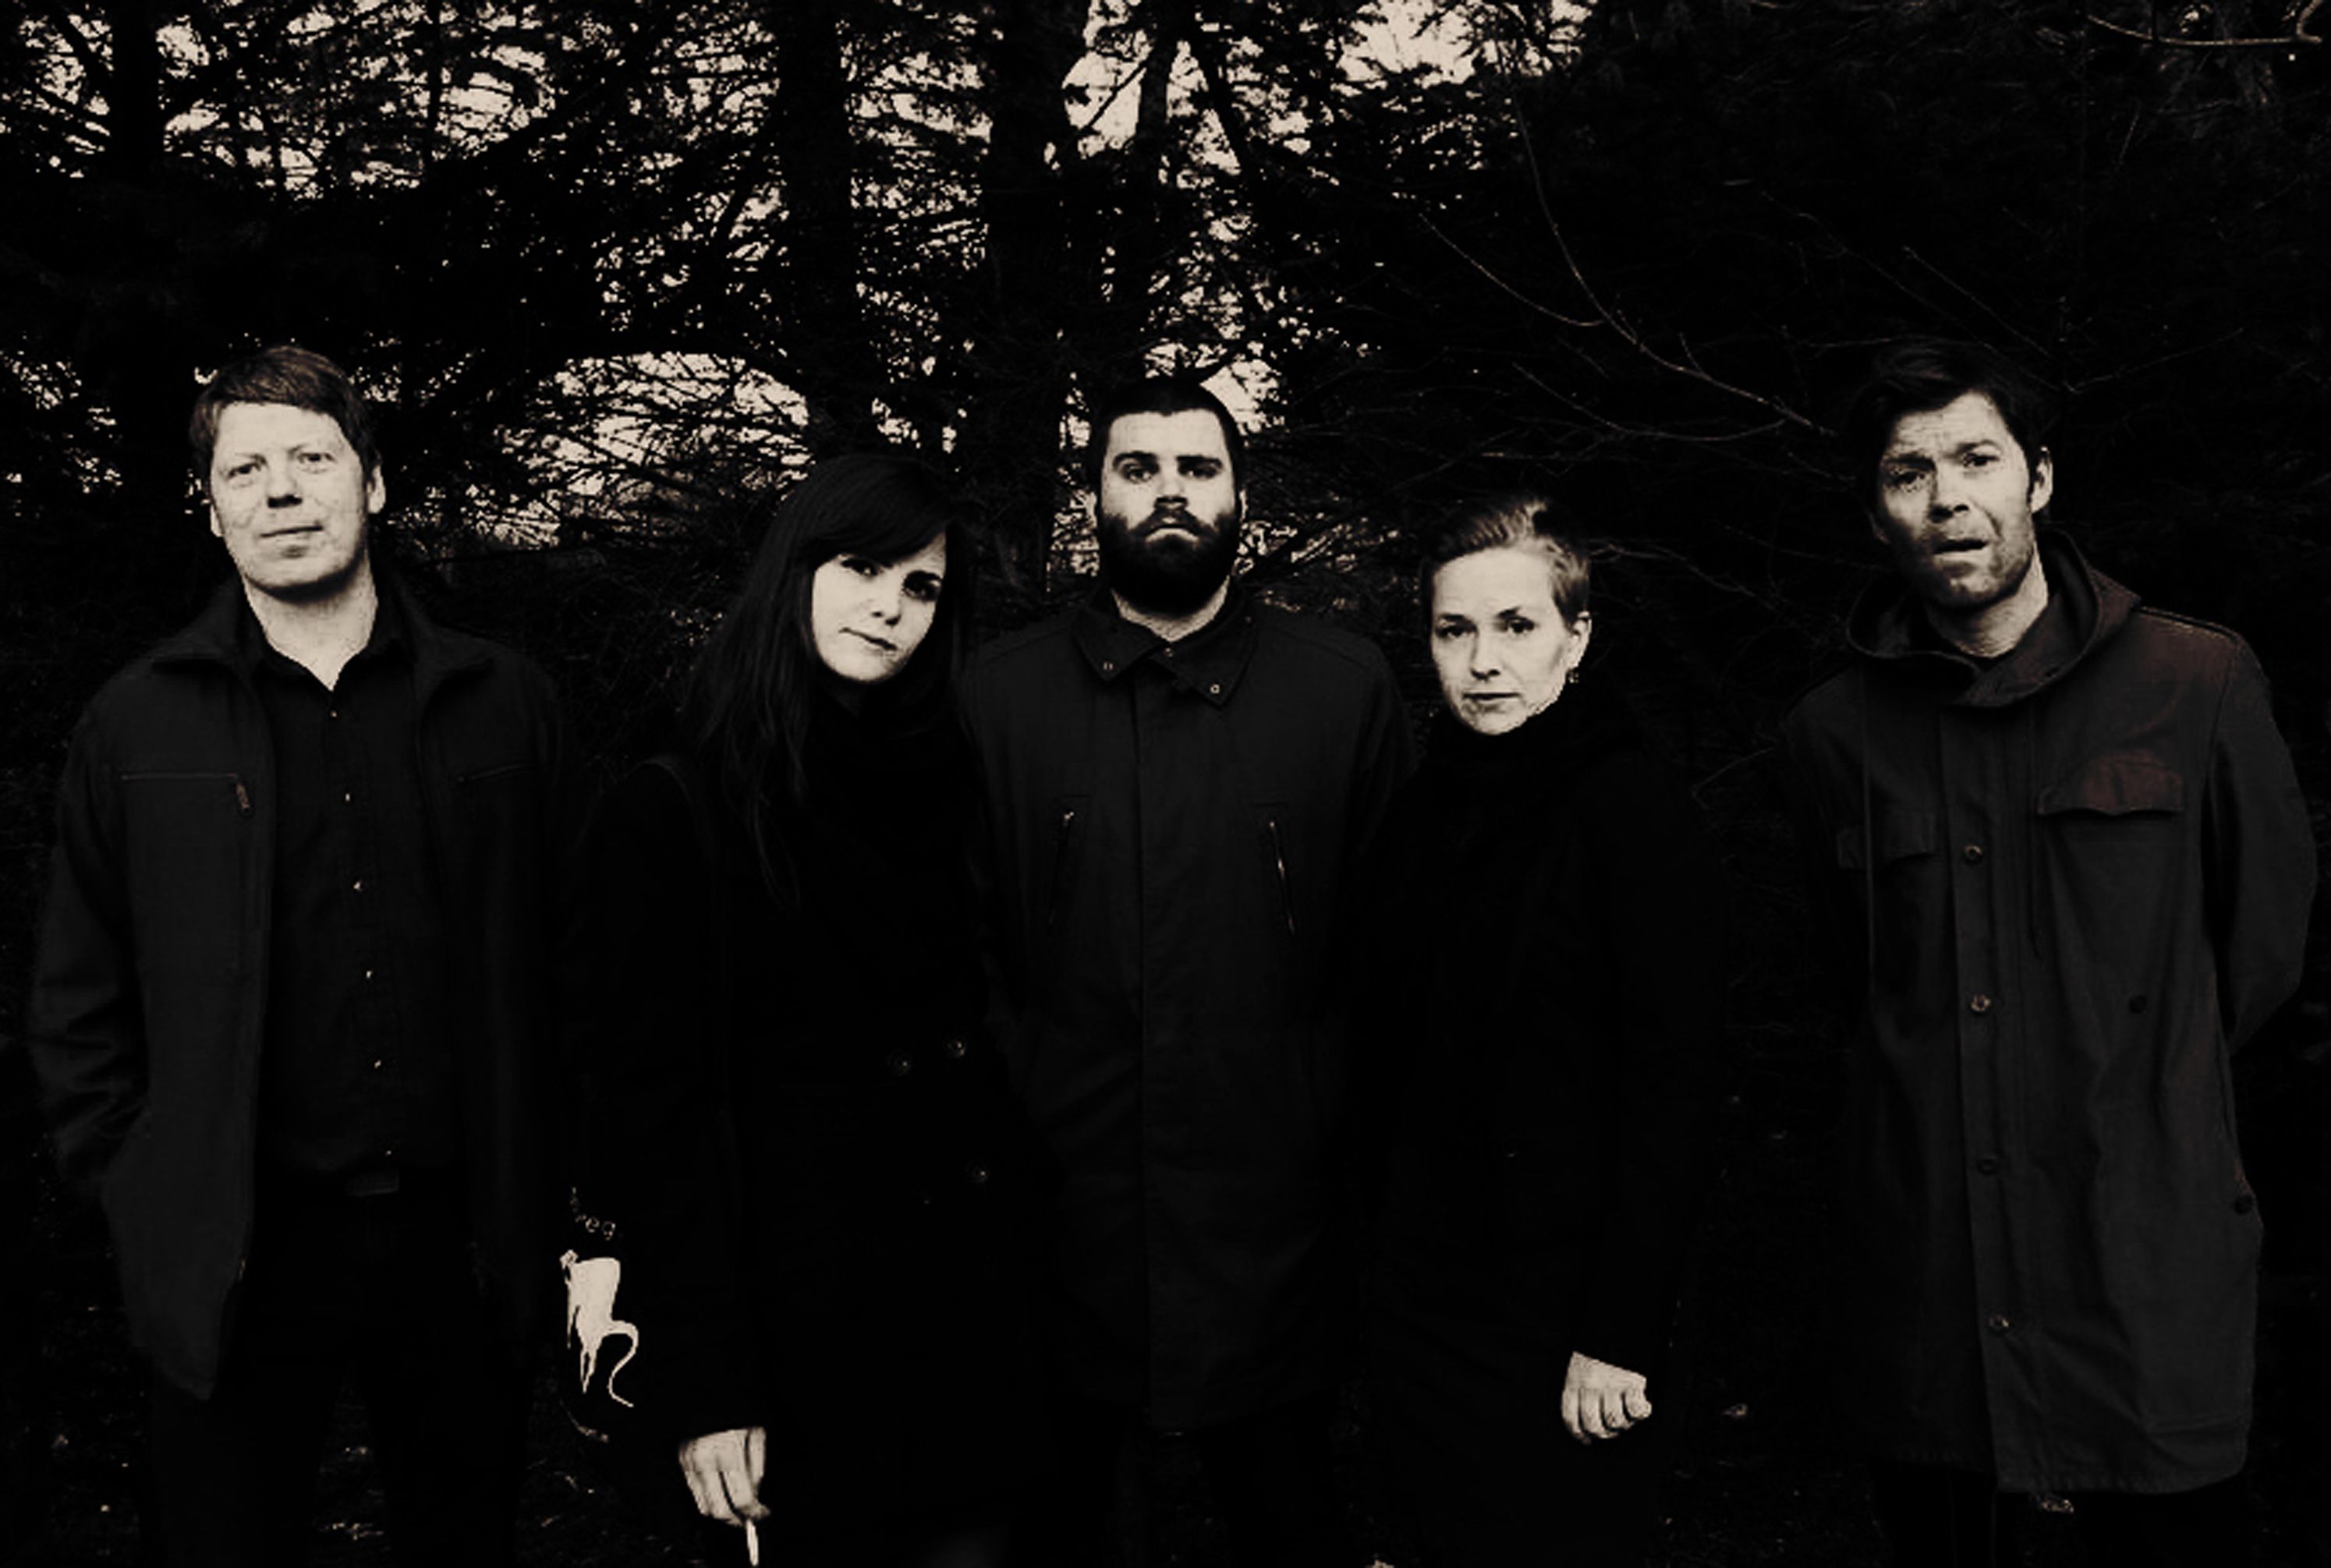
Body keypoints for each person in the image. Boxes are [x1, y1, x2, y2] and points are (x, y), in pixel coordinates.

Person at [23, 345, 569, 1564]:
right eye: (246, 469)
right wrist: (143, 1185)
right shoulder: (136, 721)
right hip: (238, 1248)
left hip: (459, 1238)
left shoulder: (504, 702)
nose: (280, 490)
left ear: (373, 483)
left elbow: (569, 959)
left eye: (312, 459)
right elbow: (76, 995)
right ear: (208, 504)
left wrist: (557, 1195)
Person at [1779, 338, 2317, 1566]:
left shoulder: (2196, 683)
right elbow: (1855, 990)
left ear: (2041, 478)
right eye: (1908, 473)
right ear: (1875, 513)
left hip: (2141, 1299)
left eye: (1978, 459)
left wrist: (2137, 1089)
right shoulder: (1830, 737)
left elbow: (2262, 957)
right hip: (1935, 1314)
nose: (1947, 498)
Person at [565, 451, 1054, 1567]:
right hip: (791, 1341)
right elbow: (652, 1124)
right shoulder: (673, 809)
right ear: (797, 569)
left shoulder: (945, 781)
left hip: (967, 1321)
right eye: (863, 567)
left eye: (922, 587)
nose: (890, 607)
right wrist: (707, 1385)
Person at [961, 375, 1413, 1566]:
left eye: (1198, 469)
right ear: (1092, 498)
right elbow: (963, 956)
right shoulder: (994, 696)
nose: (1170, 491)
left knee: (1291, 1531)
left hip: (1275, 1245)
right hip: (1062, 1241)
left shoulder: (1342, 689)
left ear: (1240, 497)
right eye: (1139, 467)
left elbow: (1391, 961)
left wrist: (1321, 1116)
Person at [1356, 497, 1727, 1566]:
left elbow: (1676, 1086)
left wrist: (1619, 1332)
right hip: (1426, 1305)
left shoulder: (1631, 807)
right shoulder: (1421, 813)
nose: (1484, 661)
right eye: (1455, 630)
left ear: (1578, 636)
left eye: (1517, 626)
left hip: (1568, 1321)